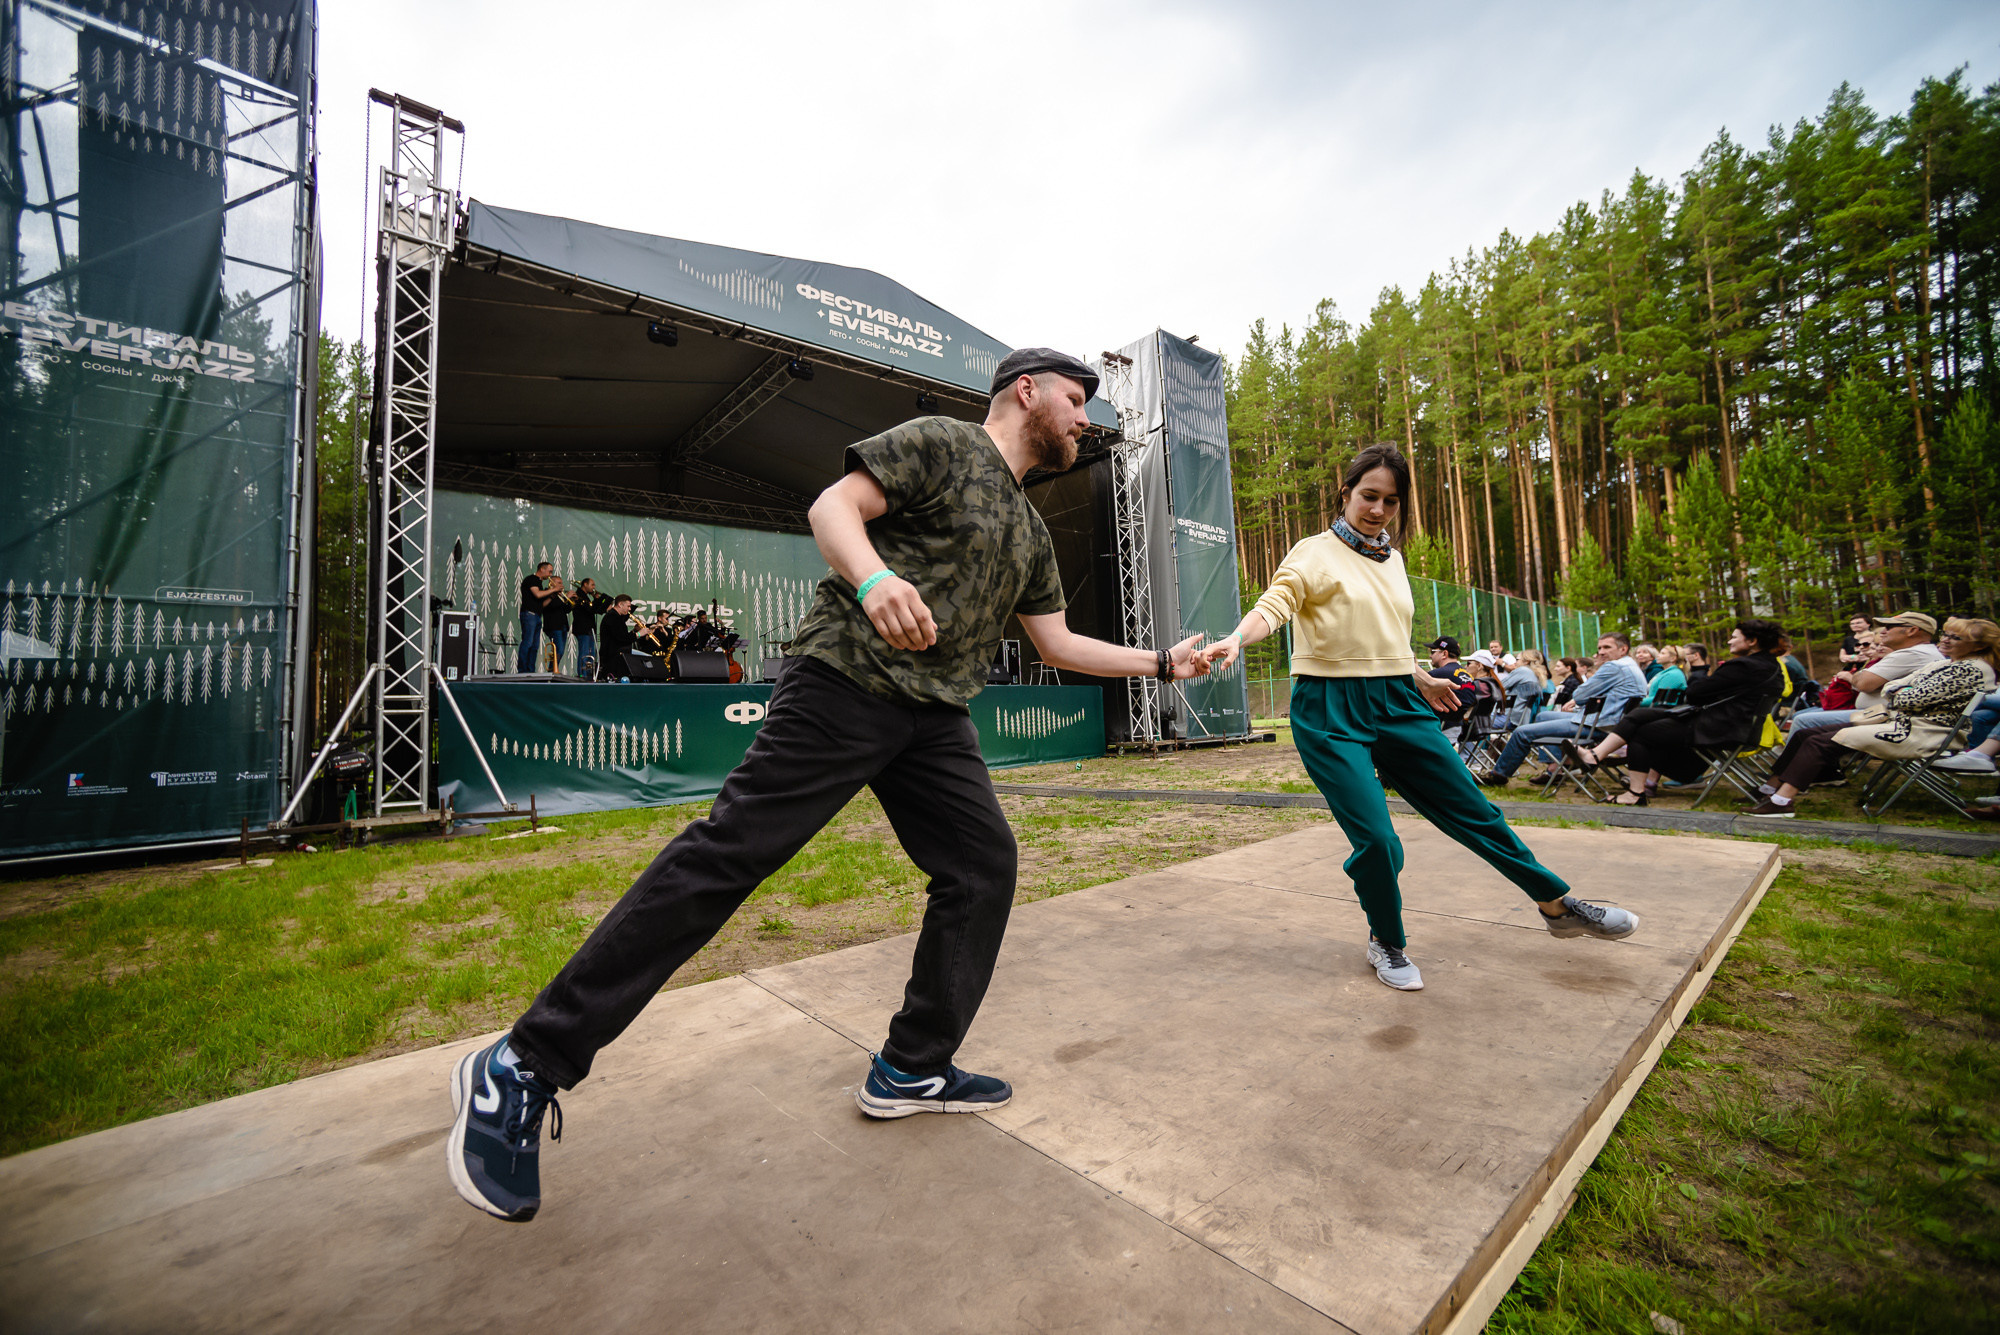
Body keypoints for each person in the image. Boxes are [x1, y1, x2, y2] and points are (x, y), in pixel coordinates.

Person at [449, 347, 1214, 1222]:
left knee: (983, 866)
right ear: (1027, 391)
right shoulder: (944, 442)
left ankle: (913, 1065)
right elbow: (834, 506)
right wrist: (877, 576)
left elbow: (1059, 644)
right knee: (728, 858)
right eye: (1077, 400)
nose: (1086, 419)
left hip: (933, 717)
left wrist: (1161, 661)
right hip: (846, 678)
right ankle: (520, 1063)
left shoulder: (1031, 531)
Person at [1202, 442, 1638, 995]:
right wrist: (1237, 639)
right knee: (1380, 842)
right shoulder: (1312, 552)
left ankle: (1556, 905)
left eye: (1390, 500)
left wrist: (1418, 674)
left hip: (1398, 701)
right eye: (1368, 496)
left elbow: (1383, 633)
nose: (1378, 509)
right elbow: (1275, 604)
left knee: (1473, 810)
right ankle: (1387, 940)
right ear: (1346, 493)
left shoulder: (1394, 559)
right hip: (1330, 710)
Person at [1745, 619, 2000, 817]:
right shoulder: (1945, 664)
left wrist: (1899, 692)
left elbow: (1906, 697)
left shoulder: (1970, 669)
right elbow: (1898, 688)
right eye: (1946, 634)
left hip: (1920, 732)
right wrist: (1899, 691)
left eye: (1955, 637)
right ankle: (1771, 788)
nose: (1945, 639)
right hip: (1899, 722)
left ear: (1978, 646)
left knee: (1819, 742)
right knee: (1804, 733)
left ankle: (1782, 802)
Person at [1565, 619, 1787, 807]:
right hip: (1739, 728)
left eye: (1734, 637)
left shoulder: (1743, 666)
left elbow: (1695, 693)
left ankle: (1634, 793)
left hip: (1718, 729)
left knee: (1642, 732)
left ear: (1752, 641)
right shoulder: (1773, 667)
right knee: (1640, 716)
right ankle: (1595, 755)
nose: (1729, 640)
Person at [1479, 632, 1647, 786]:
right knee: (1543, 717)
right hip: (1611, 723)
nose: (1601, 652)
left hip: (1598, 725)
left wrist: (1589, 689)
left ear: (1623, 649)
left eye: (1607, 647)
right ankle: (1555, 769)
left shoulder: (1614, 667)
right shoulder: (1631, 666)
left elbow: (1580, 695)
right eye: (1599, 648)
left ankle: (1498, 775)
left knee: (1522, 732)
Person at [1785, 612, 1941, 735]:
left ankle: (1784, 772)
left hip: (1887, 719)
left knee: (1802, 720)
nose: (1883, 632)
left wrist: (1856, 676)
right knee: (1805, 717)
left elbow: (1863, 683)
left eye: (1889, 627)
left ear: (1912, 630)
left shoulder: (1912, 654)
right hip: (1888, 715)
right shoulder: (1923, 652)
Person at [1425, 636, 1476, 739]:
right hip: (1457, 727)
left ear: (1444, 654)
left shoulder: (1437, 674)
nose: (1430, 656)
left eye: (1433, 652)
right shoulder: (1467, 675)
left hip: (1439, 729)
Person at [517, 561, 561, 673]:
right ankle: (522, 670)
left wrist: (552, 596)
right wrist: (554, 589)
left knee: (535, 645)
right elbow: (537, 594)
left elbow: (541, 605)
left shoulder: (539, 583)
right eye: (549, 571)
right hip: (529, 615)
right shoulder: (532, 579)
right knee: (527, 642)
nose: (550, 575)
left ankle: (530, 670)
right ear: (542, 569)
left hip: (536, 616)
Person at [567, 578, 610, 677]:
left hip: (589, 629)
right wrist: (597, 599)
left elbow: (594, 609)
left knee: (591, 653)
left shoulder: (586, 596)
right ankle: (583, 675)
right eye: (592, 585)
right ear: (585, 584)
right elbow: (590, 609)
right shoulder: (578, 595)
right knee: (585, 652)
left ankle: (589, 674)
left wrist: (596, 599)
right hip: (583, 628)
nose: (594, 587)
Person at [594, 595, 639, 679]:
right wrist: (638, 634)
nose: (630, 609)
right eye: (628, 606)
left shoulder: (616, 617)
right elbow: (621, 638)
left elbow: (620, 635)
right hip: (612, 659)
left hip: (615, 658)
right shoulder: (612, 617)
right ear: (620, 604)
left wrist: (635, 632)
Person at [1503, 649, 1547, 726]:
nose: (1515, 662)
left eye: (1517, 659)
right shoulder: (1536, 674)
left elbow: (1499, 686)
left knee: (1477, 721)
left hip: (1511, 719)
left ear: (1526, 661)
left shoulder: (1523, 670)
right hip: (1525, 718)